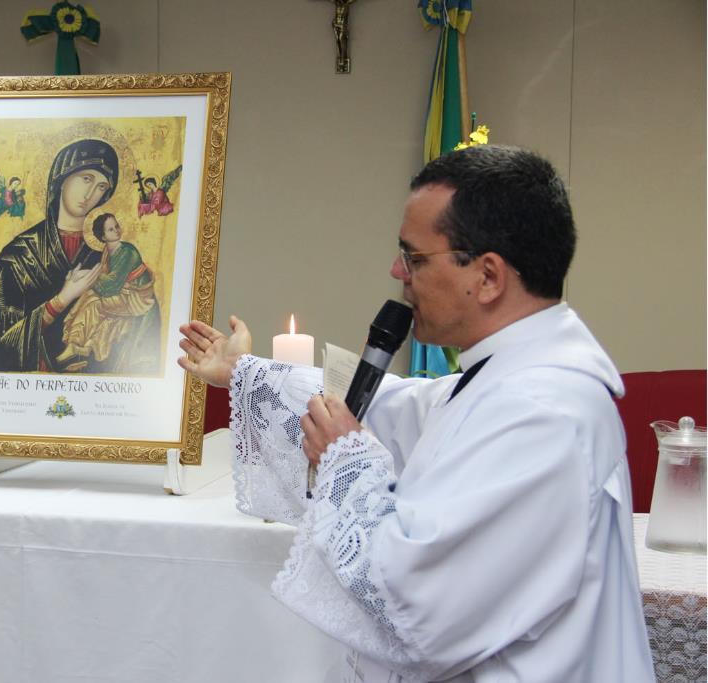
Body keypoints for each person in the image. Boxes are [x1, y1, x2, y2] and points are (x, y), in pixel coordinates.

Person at [177, 145, 654, 681]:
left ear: (489, 276)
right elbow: (395, 409)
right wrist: (245, 371)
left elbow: (421, 609)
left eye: (415, 257)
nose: (396, 270)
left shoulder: (543, 414)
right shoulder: (507, 377)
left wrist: (344, 460)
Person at [0, 138, 129, 373]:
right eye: (87, 179)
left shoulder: (106, 255)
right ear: (62, 178)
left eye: (102, 187)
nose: (91, 193)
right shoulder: (18, 256)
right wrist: (61, 301)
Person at [57, 212, 160, 373]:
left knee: (94, 303)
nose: (117, 231)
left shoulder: (128, 252)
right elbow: (106, 281)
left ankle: (76, 345)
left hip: (135, 297)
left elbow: (112, 285)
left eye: (116, 226)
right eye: (111, 229)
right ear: (103, 236)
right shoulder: (107, 252)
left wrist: (89, 278)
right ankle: (74, 345)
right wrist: (89, 279)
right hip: (122, 293)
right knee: (88, 297)